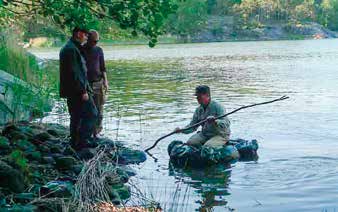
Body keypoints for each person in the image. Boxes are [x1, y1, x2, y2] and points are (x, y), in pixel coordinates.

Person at [59, 27, 98, 150]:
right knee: (92, 113)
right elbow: (74, 73)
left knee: (76, 116)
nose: (87, 38)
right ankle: (82, 141)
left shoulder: (72, 47)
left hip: (74, 90)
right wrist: (83, 91)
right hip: (77, 90)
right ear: (79, 34)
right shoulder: (71, 49)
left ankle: (75, 142)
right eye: (86, 35)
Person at [83, 30, 108, 137]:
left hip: (98, 83)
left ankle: (97, 132)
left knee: (99, 109)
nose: (95, 43)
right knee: (89, 110)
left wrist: (106, 81)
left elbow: (103, 67)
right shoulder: (81, 50)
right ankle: (88, 131)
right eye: (93, 41)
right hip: (86, 84)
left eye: (97, 41)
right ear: (88, 39)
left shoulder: (99, 50)